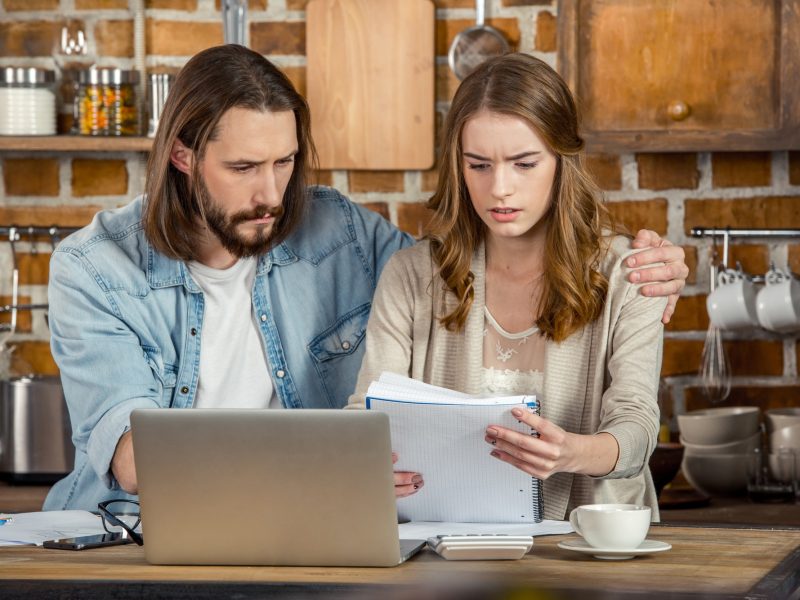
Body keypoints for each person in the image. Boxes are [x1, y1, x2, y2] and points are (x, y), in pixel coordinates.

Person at [44, 45, 686, 512]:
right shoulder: (94, 269)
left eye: (286, 161)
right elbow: (137, 463)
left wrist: (651, 270)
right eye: (243, 167)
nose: (272, 193)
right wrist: (337, 464)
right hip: (135, 532)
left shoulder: (338, 231)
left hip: (312, 526)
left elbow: (464, 266)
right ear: (183, 155)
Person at [349, 53, 668, 520]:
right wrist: (364, 462)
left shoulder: (631, 273)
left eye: (523, 164)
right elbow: (367, 413)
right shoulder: (411, 275)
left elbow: (637, 425)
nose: (499, 188)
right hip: (446, 544)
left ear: (562, 160)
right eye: (479, 165)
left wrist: (573, 453)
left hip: (589, 547)